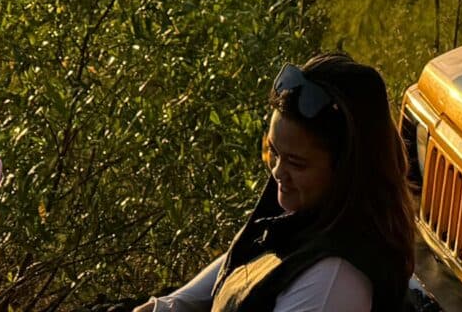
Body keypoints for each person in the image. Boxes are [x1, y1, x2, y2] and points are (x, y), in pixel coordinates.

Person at [143, 54, 416, 312]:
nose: (277, 172)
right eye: (273, 152)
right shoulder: (306, 210)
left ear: (348, 172)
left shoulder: (332, 285)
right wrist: (167, 306)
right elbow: (248, 265)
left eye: (297, 163)